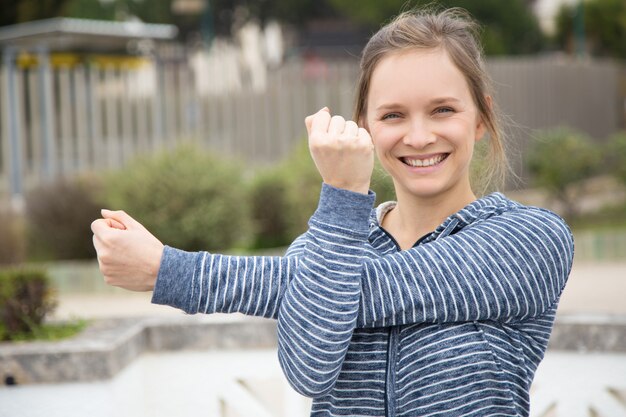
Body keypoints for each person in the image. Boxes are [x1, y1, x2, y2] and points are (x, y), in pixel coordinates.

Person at [91, 7, 574, 417]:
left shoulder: (531, 238)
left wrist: (170, 271)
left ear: (482, 119)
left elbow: (375, 289)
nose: (420, 135)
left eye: (444, 109)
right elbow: (308, 370)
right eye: (393, 115)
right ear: (364, 127)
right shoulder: (326, 245)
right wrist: (341, 205)